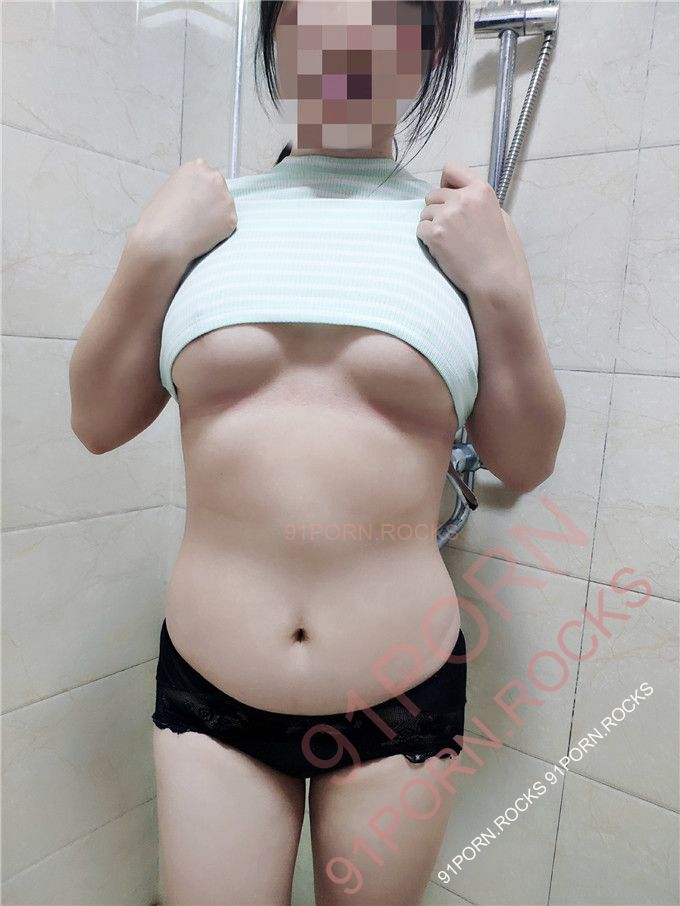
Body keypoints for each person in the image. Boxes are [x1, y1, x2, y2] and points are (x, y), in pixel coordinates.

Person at [69, 2, 565, 903]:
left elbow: (525, 461)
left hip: (400, 694)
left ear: (431, 47)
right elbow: (97, 421)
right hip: (213, 691)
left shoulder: (457, 236)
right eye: (315, 10)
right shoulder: (205, 225)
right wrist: (150, 250)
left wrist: (503, 285)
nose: (347, 41)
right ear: (274, 31)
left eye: (387, 17)